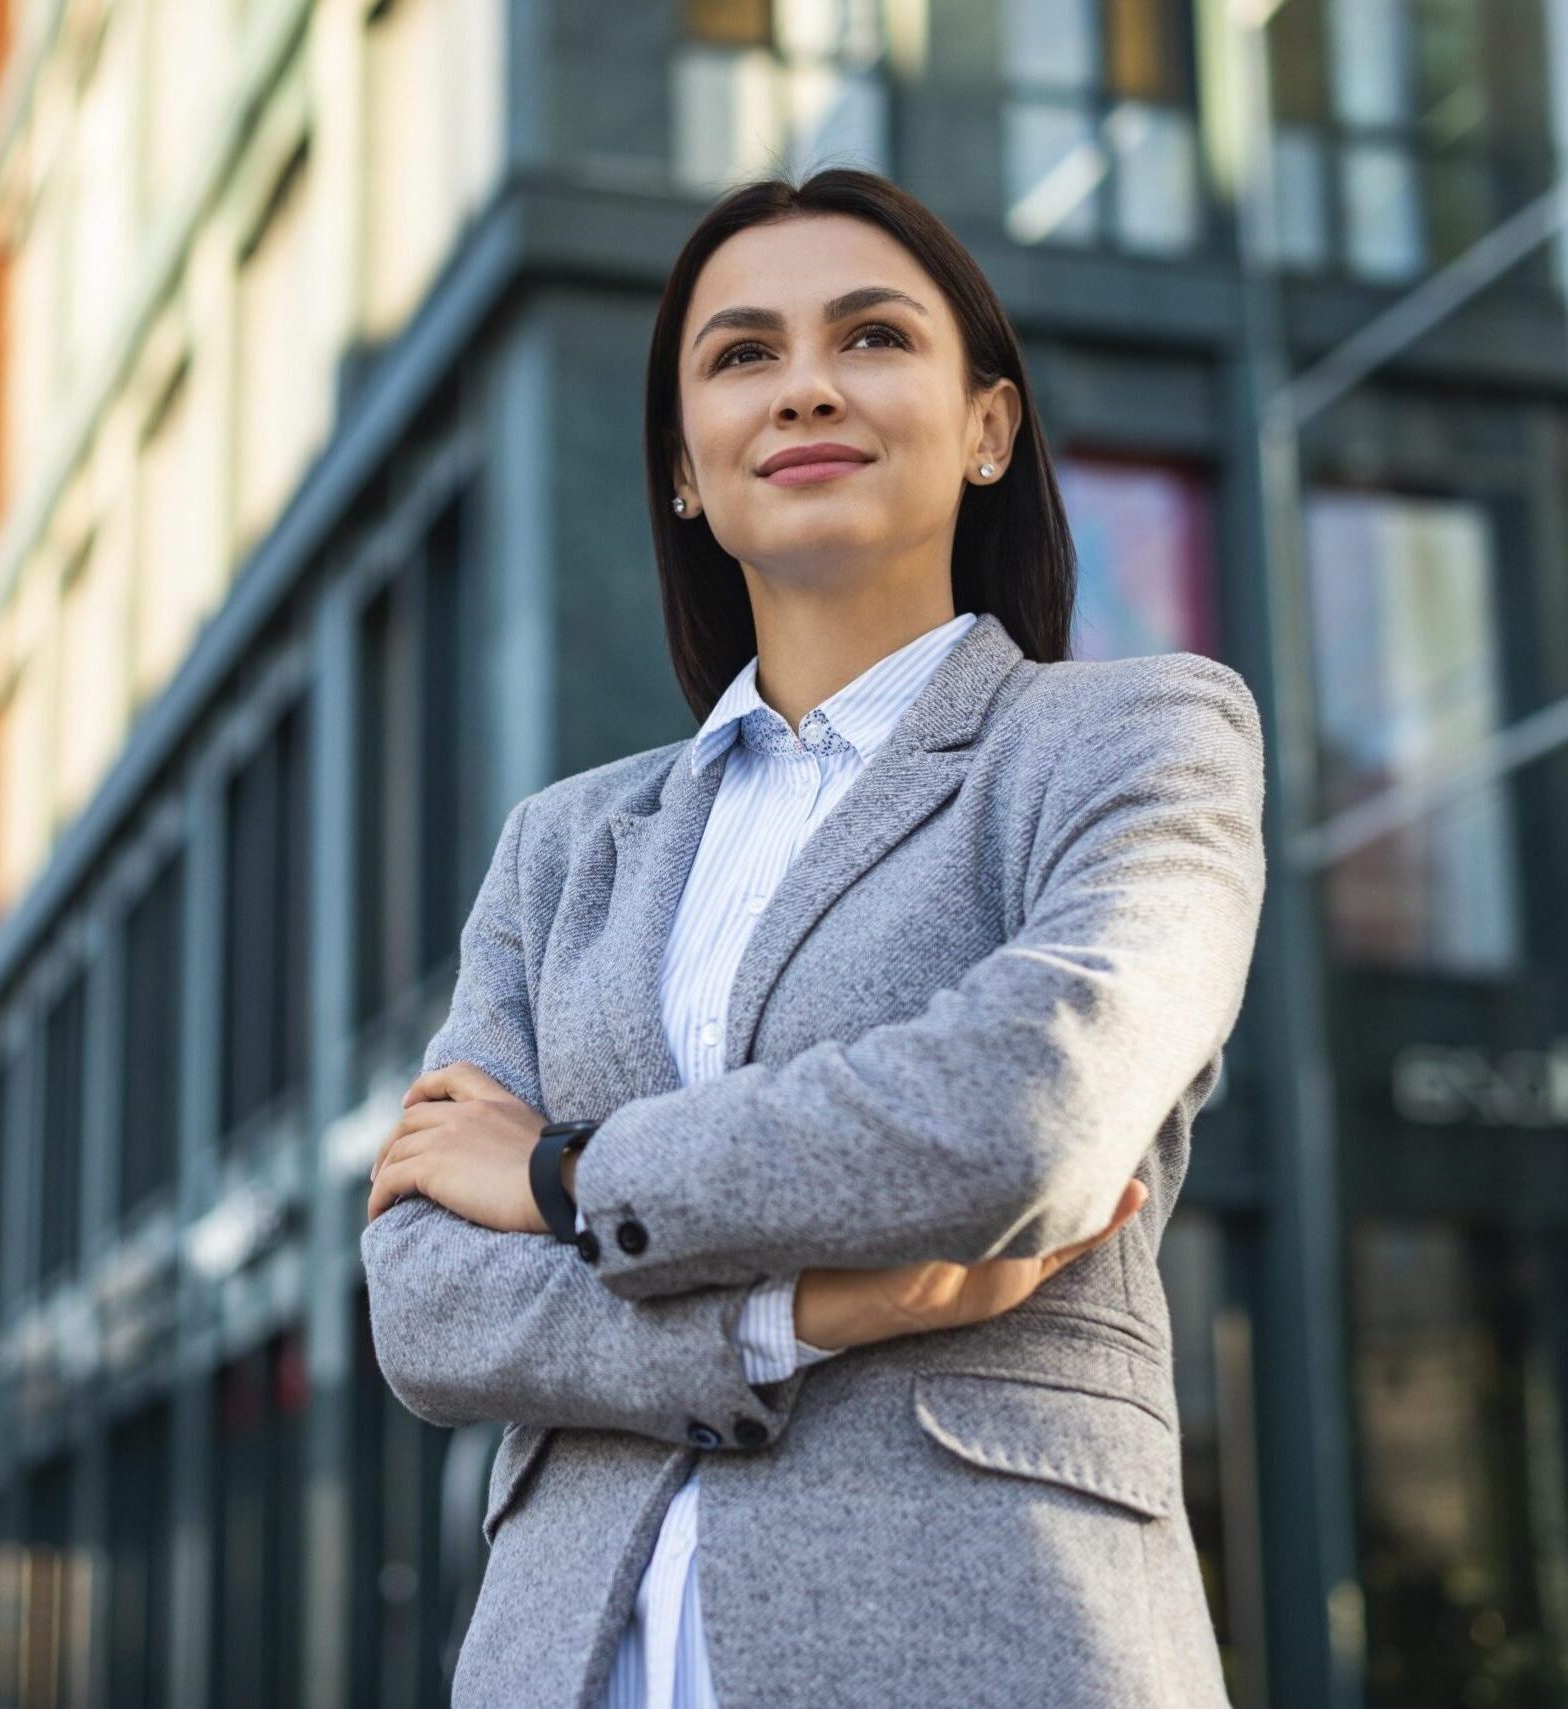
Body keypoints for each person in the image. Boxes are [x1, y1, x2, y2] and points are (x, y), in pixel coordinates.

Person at [361, 166, 1266, 1709]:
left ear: (987, 426)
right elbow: (427, 1304)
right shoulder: (563, 846)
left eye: (870, 337)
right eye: (740, 355)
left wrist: (565, 1174)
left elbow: (1023, 1113)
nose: (804, 389)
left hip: (983, 1643)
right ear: (682, 473)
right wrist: (794, 1312)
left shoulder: (1133, 735)